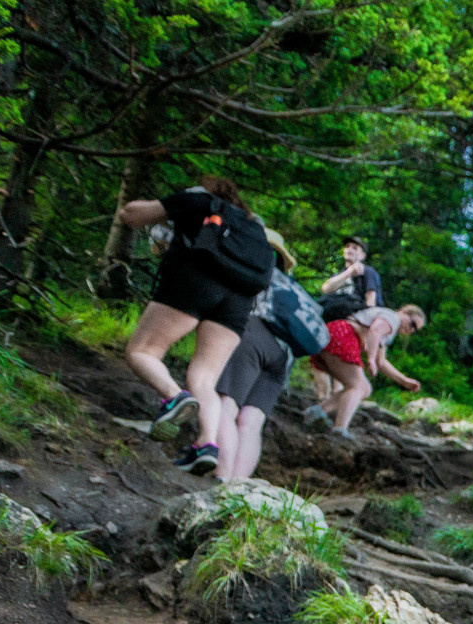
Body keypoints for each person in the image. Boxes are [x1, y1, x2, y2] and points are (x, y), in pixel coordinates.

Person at [113, 174, 263, 476]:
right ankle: (206, 445)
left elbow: (129, 214)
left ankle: (174, 397)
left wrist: (178, 200)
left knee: (142, 351)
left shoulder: (198, 200)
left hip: (196, 279)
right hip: (240, 298)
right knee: (204, 378)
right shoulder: (252, 225)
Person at [208, 229, 301, 481]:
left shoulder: (252, 264)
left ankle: (222, 476)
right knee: (251, 423)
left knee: (225, 404)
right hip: (284, 355)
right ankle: (237, 489)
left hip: (251, 336)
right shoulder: (287, 284)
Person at [319, 302, 426, 438]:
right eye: (412, 324)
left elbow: (381, 362)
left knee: (364, 389)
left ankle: (318, 412)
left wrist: (404, 381)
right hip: (343, 336)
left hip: (335, 335)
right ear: (404, 313)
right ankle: (339, 429)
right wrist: (370, 358)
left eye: (415, 330)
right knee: (358, 387)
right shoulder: (392, 317)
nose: (411, 330)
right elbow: (374, 331)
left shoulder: (388, 332)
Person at [319, 236, 383, 309]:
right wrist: (349, 272)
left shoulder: (368, 271)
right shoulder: (339, 275)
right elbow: (325, 289)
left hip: (358, 312)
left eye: (354, 248)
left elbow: (371, 299)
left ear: (362, 255)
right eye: (347, 246)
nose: (349, 249)